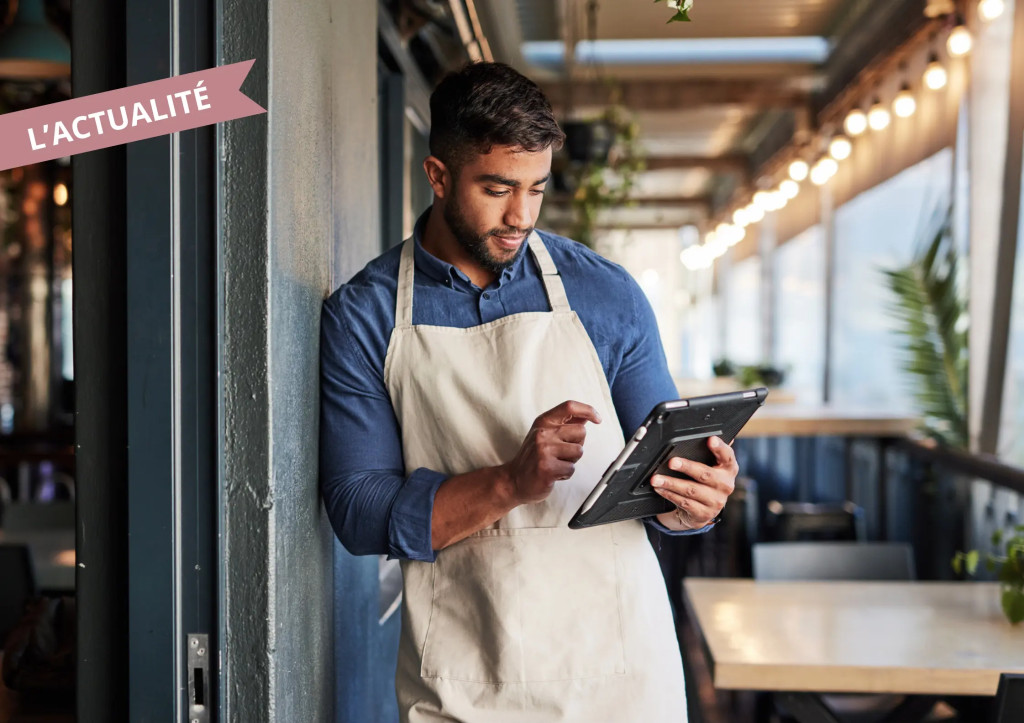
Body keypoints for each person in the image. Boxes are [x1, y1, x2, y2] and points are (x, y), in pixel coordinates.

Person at [320, 61, 739, 722]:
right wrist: (509, 482)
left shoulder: (607, 295)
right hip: (464, 676)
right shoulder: (366, 315)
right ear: (437, 176)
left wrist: (696, 503)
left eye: (536, 189)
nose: (520, 216)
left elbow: (664, 473)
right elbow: (358, 506)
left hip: (620, 675)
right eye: (497, 188)